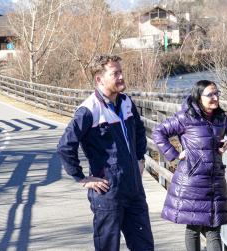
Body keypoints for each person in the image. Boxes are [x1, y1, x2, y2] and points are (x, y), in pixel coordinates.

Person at [57, 54, 154, 251]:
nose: (121, 77)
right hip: (108, 193)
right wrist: (82, 178)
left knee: (144, 246)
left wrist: (139, 157)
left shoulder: (127, 102)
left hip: (134, 189)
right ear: (99, 79)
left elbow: (139, 130)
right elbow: (65, 146)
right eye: (115, 73)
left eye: (121, 72)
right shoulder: (88, 110)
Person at [152, 80, 227, 251]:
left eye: (217, 93)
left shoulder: (221, 118)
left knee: (214, 230)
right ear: (198, 97)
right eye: (210, 95)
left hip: (215, 180)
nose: (215, 98)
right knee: (194, 228)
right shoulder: (186, 117)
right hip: (192, 181)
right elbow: (159, 132)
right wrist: (174, 154)